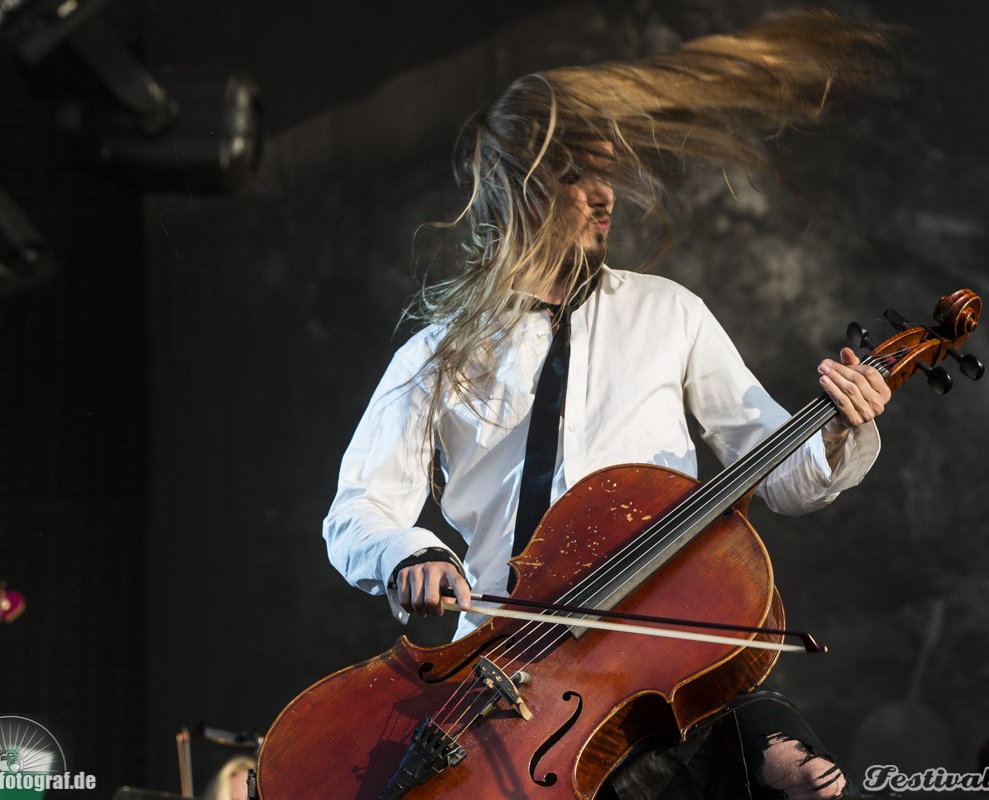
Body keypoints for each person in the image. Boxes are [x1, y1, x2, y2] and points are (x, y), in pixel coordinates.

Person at [323, 9, 897, 799]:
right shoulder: (438, 350)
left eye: (608, 174)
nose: (606, 196)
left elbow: (780, 474)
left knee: (805, 783)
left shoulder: (670, 312)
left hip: (660, 656)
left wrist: (839, 432)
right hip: (497, 673)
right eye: (578, 176)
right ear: (519, 188)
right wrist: (409, 554)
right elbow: (357, 508)